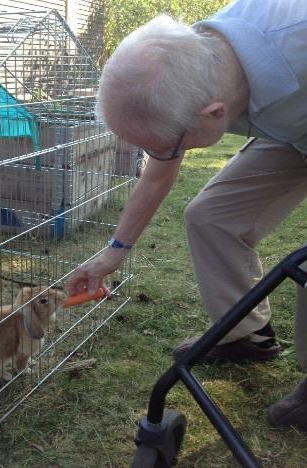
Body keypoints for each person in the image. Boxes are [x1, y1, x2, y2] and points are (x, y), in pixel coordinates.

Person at [66, 0, 307, 431]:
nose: (160, 156)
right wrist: (114, 251)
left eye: (164, 145)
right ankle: (244, 334)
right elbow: (159, 175)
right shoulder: (192, 65)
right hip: (291, 125)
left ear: (214, 115)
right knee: (212, 215)